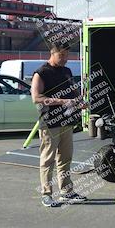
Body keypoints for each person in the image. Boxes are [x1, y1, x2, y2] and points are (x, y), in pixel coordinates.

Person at [31, 42, 87, 207]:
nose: (65, 59)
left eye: (67, 55)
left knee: (65, 158)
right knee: (48, 160)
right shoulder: (41, 73)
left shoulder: (66, 71)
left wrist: (79, 102)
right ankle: (46, 194)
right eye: (61, 55)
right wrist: (63, 101)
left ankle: (67, 192)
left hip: (67, 122)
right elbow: (36, 98)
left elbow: (73, 93)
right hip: (50, 123)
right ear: (52, 53)